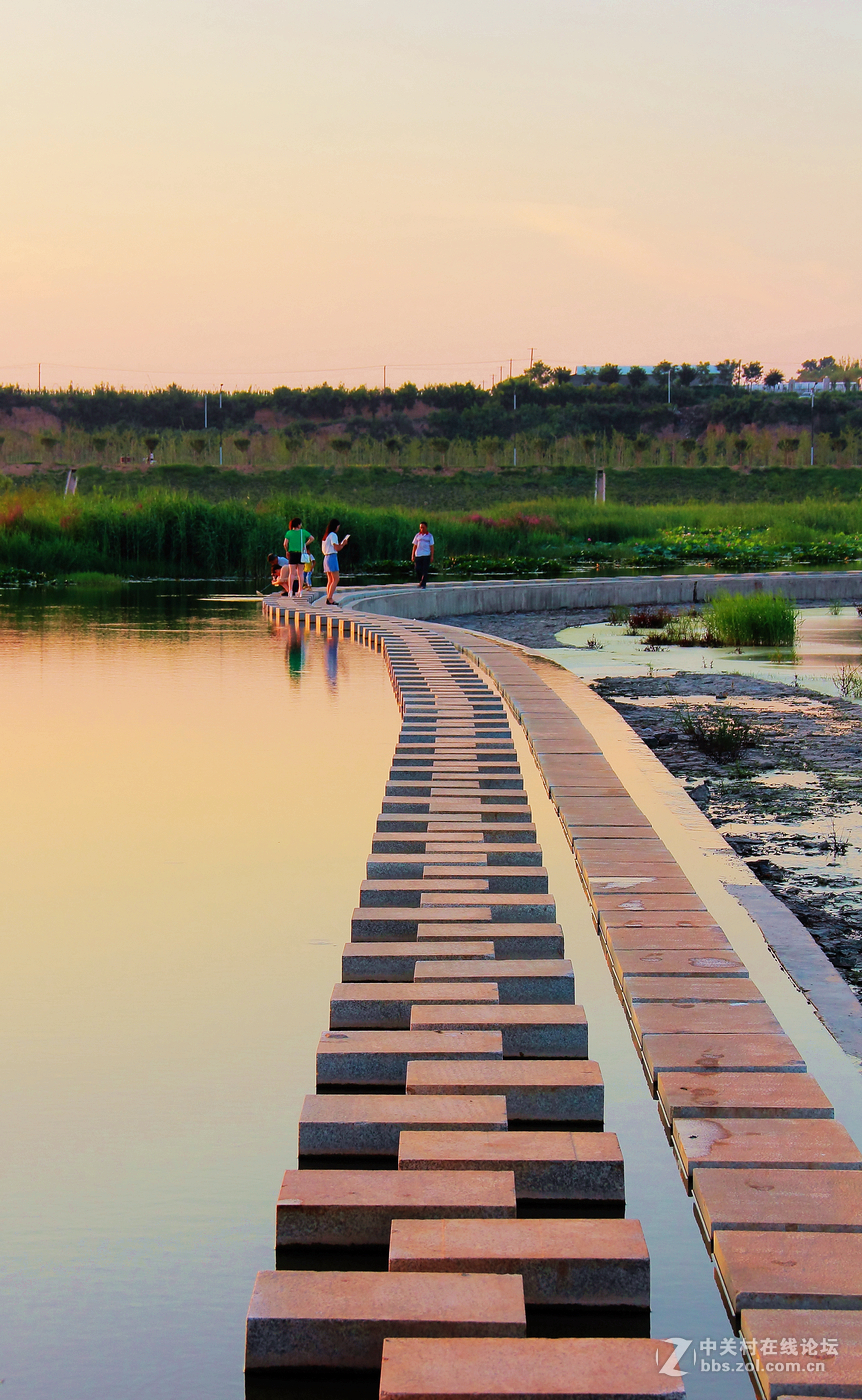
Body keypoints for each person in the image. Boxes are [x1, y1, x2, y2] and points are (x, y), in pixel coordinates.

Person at [283, 517, 315, 597]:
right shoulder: (303, 532)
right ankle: (300, 591)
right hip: (301, 554)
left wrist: (287, 551)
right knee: (300, 573)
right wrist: (305, 544)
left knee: (291, 573)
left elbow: (285, 544)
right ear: (298, 524)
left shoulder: (289, 533)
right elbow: (312, 538)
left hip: (292, 554)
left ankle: (290, 591)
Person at [321, 517, 350, 605]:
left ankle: (329, 597)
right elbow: (337, 548)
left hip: (326, 558)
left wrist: (341, 545)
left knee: (330, 580)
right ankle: (329, 598)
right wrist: (343, 544)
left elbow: (334, 547)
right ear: (336, 526)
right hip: (332, 557)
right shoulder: (333, 535)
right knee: (336, 579)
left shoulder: (326, 536)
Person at [411, 521, 435, 588]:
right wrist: (412, 555)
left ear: (426, 527)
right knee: (417, 569)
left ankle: (423, 584)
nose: (422, 529)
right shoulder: (417, 535)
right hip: (418, 554)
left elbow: (432, 546)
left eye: (423, 527)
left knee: (425, 570)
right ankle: (421, 581)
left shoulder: (430, 536)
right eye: (421, 527)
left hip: (426, 555)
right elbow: (415, 546)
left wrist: (432, 556)